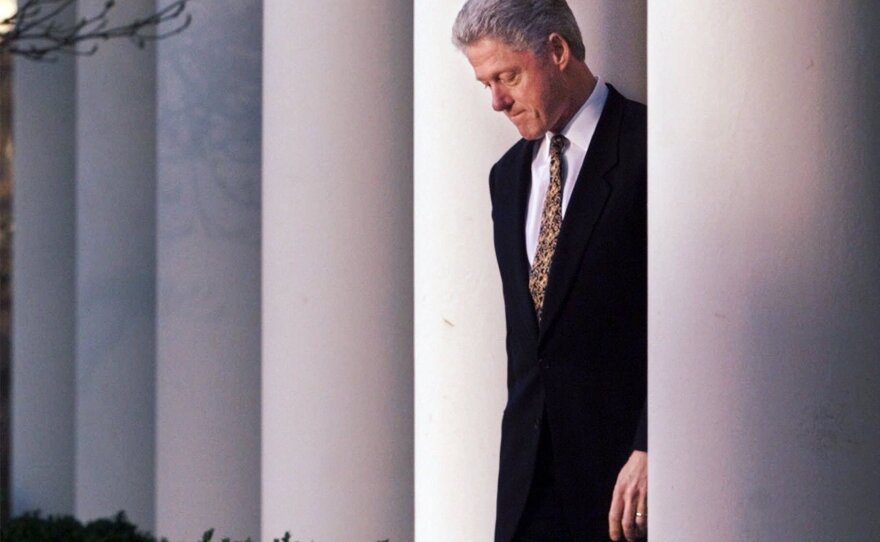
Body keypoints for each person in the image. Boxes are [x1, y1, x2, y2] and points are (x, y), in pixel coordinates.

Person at [452, 1, 647, 541]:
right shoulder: (507, 178)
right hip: (528, 492)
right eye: (485, 83)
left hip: (623, 489)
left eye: (507, 76)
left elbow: (694, 314)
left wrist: (654, 442)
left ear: (557, 51)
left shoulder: (650, 149)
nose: (496, 101)